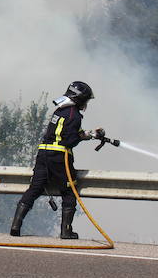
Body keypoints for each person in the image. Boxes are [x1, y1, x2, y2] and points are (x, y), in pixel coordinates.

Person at [10, 81, 102, 239]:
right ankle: (66, 231)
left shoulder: (61, 110)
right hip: (59, 158)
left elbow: (65, 132)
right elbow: (70, 140)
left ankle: (15, 226)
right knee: (69, 191)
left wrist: (90, 134)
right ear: (80, 99)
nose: (86, 103)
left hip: (43, 154)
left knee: (34, 189)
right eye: (86, 100)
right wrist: (81, 137)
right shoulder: (75, 114)